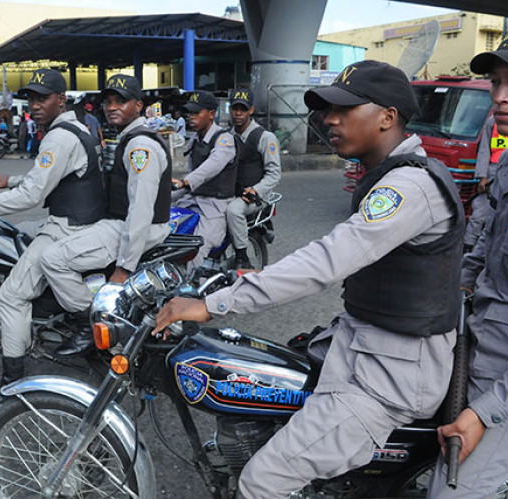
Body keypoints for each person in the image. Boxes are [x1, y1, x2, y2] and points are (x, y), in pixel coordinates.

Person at [155, 61, 465, 498]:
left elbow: (326, 261)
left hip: (387, 379)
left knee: (262, 482)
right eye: (326, 110)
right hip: (358, 349)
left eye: (345, 109)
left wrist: (215, 303)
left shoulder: (408, 188)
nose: (329, 119)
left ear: (388, 117)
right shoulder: (385, 176)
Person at [427, 21, 508, 498]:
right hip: (474, 332)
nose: (500, 95)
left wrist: (485, 413)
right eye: (496, 81)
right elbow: (483, 249)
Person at [0, 68, 105, 423]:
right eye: (31, 98)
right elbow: (47, 177)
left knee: (11, 296)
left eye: (43, 98)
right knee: (14, 235)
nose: (35, 104)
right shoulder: (75, 128)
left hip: (67, 229)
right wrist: (5, 180)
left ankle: (11, 387)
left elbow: (32, 194)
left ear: (61, 99)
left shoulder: (58, 137)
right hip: (77, 220)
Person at [41, 74, 172, 357]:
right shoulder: (129, 138)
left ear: (139, 105)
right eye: (108, 101)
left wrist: (124, 268)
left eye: (121, 101)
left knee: (51, 258)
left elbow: (140, 211)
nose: (112, 107)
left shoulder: (141, 146)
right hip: (122, 222)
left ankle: (92, 320)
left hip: (131, 227)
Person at [172, 90, 237, 269]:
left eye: (196, 113)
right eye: (189, 113)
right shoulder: (195, 139)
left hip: (215, 206)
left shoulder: (224, 139)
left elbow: (212, 166)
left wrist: (185, 182)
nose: (191, 117)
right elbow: (191, 172)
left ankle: (193, 291)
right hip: (192, 200)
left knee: (195, 250)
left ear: (211, 114)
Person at [225, 89, 281, 268]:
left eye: (243, 109)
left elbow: (274, 173)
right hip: (232, 191)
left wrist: (256, 190)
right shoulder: (226, 136)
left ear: (251, 110)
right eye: (235, 108)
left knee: (234, 210)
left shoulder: (265, 137)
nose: (238, 113)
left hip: (255, 195)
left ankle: (243, 257)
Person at [463, 115, 508, 253]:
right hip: (493, 172)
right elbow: (484, 150)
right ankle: (467, 247)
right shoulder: (492, 122)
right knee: (479, 215)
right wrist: (482, 176)